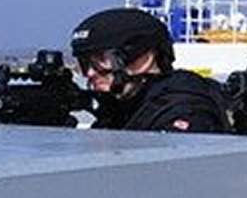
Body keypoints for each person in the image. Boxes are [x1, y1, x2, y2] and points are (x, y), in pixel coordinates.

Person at [70, 8, 229, 132]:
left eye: (101, 62)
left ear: (143, 60)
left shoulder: (184, 110)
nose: (90, 73)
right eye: (85, 64)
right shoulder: (120, 110)